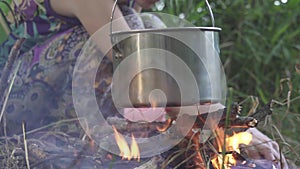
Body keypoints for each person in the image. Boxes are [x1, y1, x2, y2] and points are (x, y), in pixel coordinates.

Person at [0, 0, 288, 168]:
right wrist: (230, 124)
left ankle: (168, 136)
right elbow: (141, 68)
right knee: (142, 30)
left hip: (75, 95)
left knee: (148, 25)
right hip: (24, 104)